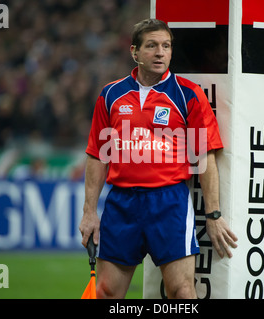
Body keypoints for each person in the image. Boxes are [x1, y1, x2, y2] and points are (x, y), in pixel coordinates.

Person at [79, 19, 237, 299]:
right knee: (105, 293)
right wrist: (89, 212)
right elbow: (97, 156)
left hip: (169, 203)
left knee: (182, 291)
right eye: (151, 46)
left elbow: (205, 156)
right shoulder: (111, 95)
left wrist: (213, 215)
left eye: (166, 46)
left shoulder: (189, 95)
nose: (160, 53)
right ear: (134, 52)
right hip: (121, 204)